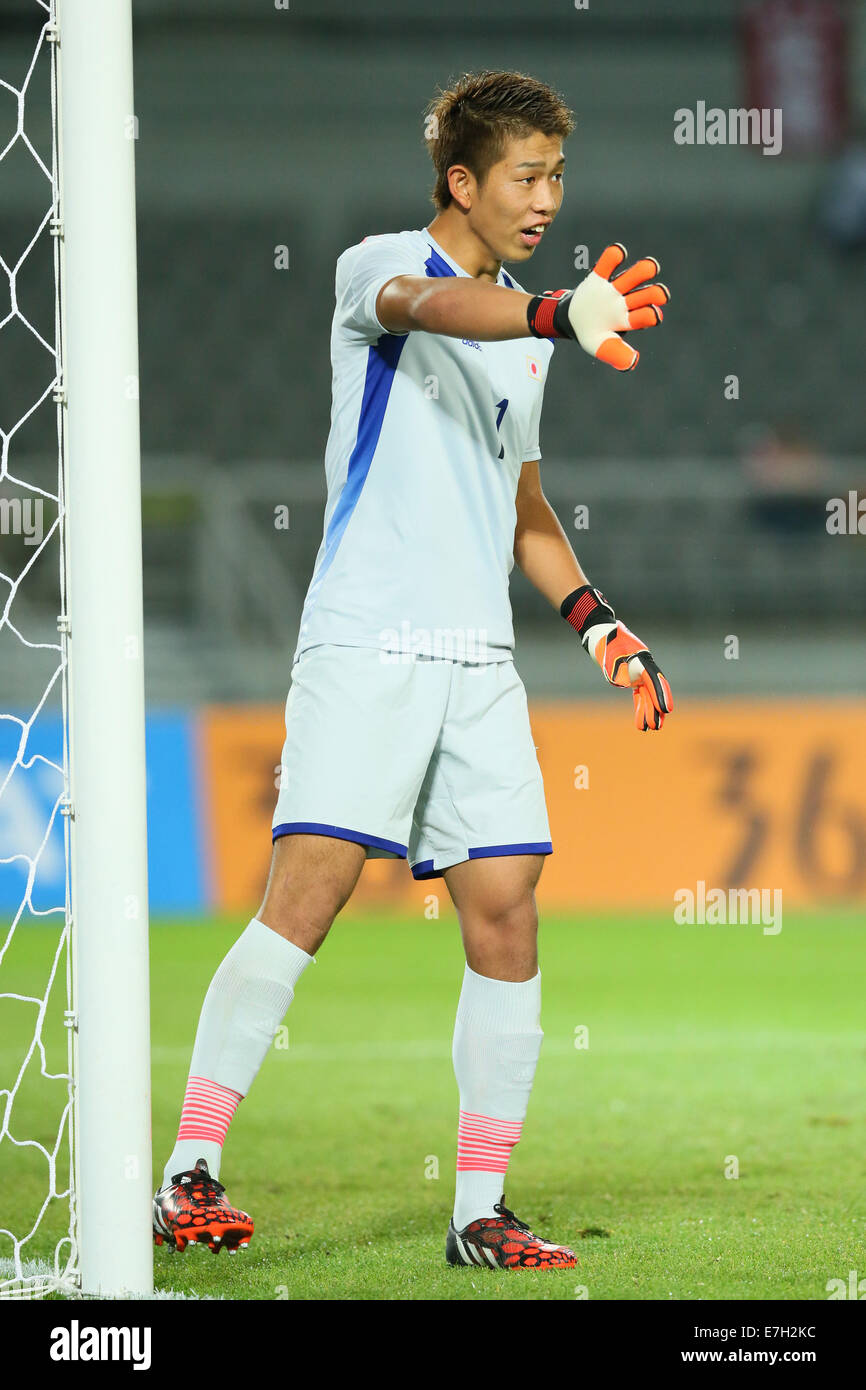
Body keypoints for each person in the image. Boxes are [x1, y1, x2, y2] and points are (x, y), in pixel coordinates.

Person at [153, 69, 673, 1272]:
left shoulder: (531, 333)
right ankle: (188, 1170)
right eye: (525, 177)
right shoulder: (379, 268)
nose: (546, 200)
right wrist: (553, 314)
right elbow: (431, 308)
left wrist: (597, 623)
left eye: (557, 177)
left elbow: (522, 504)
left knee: (506, 905)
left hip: (477, 655)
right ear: (460, 181)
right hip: (368, 639)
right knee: (309, 892)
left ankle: (477, 1210)